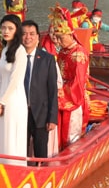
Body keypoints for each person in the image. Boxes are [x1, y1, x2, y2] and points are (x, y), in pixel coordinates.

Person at [20, 20, 60, 161]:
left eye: (31, 34)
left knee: (40, 152)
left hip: (41, 114)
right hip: (19, 113)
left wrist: (52, 117)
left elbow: (52, 91)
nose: (28, 37)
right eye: (24, 34)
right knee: (19, 151)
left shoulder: (47, 59)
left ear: (38, 37)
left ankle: (41, 177)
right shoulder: (14, 58)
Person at [50, 10, 89, 150]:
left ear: (70, 34)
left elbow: (78, 81)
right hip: (61, 91)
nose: (59, 42)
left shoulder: (78, 53)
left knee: (71, 133)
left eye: (61, 38)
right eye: (57, 38)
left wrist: (60, 93)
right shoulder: (64, 51)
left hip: (73, 95)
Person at [0, 14, 28, 166]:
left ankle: (15, 168)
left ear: (17, 31)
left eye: (10, 28)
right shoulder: (5, 49)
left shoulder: (20, 51)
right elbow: (1, 77)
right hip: (3, 100)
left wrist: (2, 101)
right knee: (4, 136)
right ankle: (3, 166)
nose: (6, 31)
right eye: (3, 28)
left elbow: (15, 80)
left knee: (13, 136)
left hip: (14, 100)